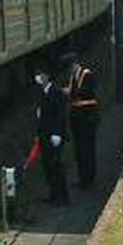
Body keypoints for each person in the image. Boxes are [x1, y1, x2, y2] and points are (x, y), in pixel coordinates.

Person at [61, 52, 100, 189]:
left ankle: (90, 179)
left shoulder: (87, 74)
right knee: (79, 150)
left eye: (70, 67)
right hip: (77, 119)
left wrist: (69, 93)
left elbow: (85, 92)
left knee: (88, 149)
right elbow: (73, 92)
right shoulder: (73, 77)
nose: (69, 70)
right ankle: (83, 178)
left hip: (87, 118)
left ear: (74, 64)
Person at [33, 69, 69, 206]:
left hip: (54, 136)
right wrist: (38, 135)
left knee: (56, 166)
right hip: (44, 135)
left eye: (41, 75)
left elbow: (60, 114)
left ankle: (62, 197)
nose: (38, 78)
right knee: (48, 166)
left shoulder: (56, 92)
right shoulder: (42, 92)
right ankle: (54, 195)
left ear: (47, 76)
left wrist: (58, 133)